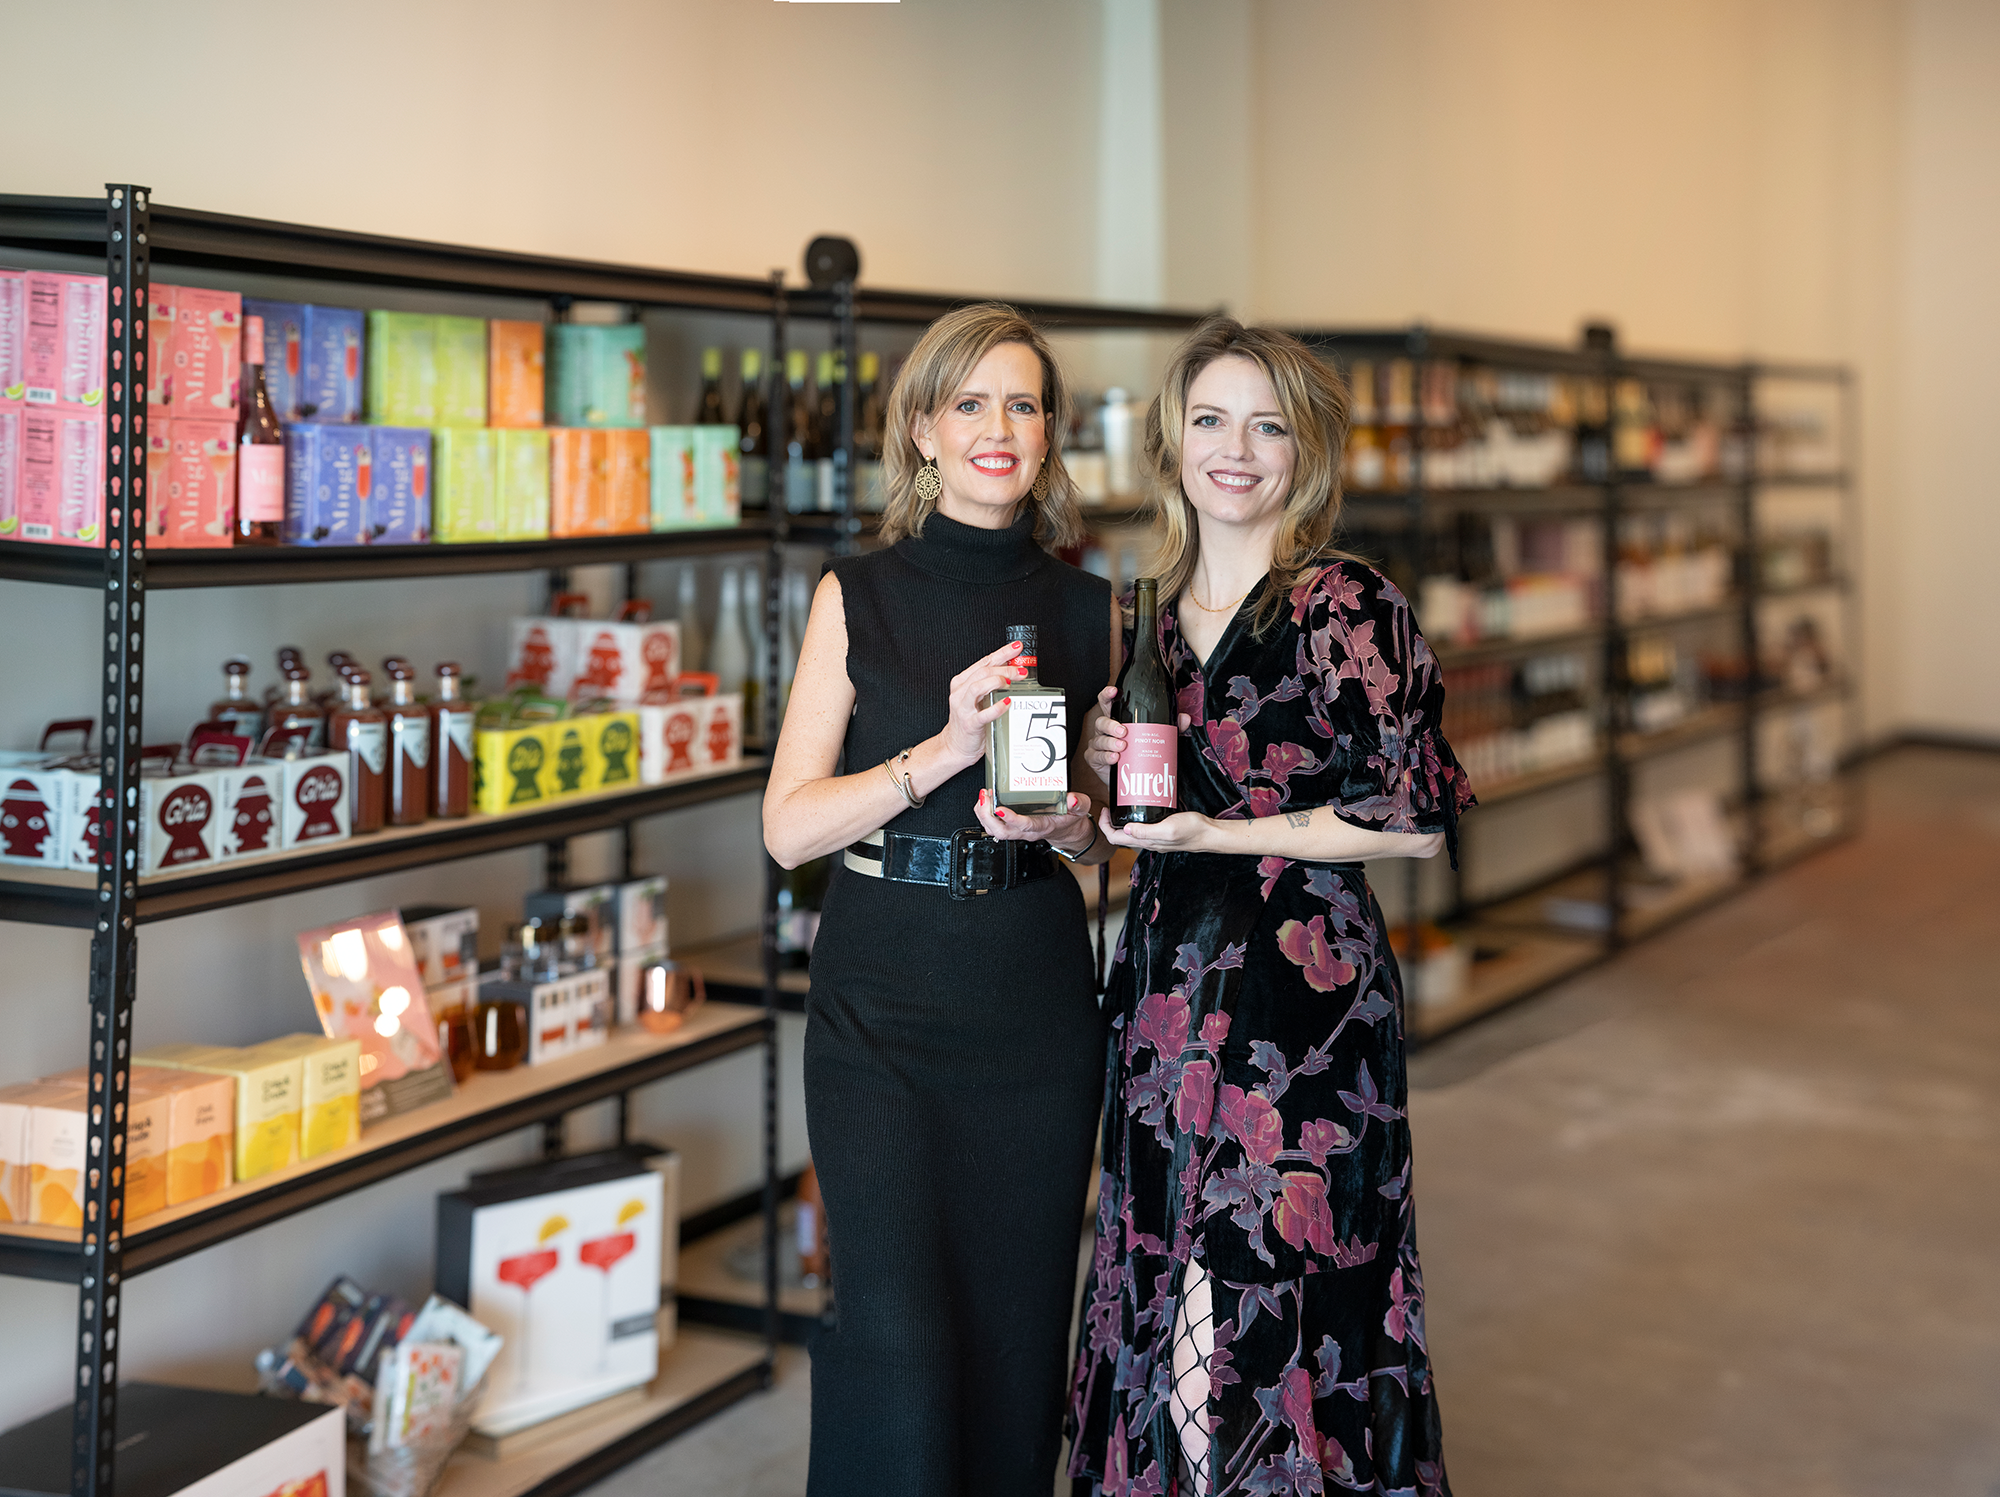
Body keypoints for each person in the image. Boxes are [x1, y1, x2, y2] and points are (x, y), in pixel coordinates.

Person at [1067, 320, 1474, 1496]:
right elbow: (1119, 832)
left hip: (1300, 1014)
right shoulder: (1137, 609)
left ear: (1307, 449)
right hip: (1156, 991)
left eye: (1266, 425)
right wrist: (1091, 785)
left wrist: (1217, 831)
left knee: (1259, 1297)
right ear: (1169, 438)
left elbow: (1411, 816)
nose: (1232, 451)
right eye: (1208, 420)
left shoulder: (1342, 605)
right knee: (1157, 1287)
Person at [764, 302, 1120, 1495]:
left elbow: (1093, 833)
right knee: (895, 1331)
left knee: (1019, 1331)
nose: (996, 427)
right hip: (884, 1004)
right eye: (968, 402)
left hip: (1030, 998)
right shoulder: (856, 595)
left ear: (1049, 433)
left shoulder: (1087, 609)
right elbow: (785, 828)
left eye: (1021, 403)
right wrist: (940, 746)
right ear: (921, 430)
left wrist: (1075, 821)